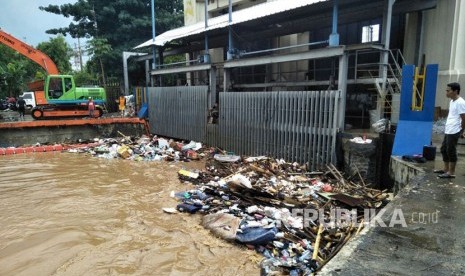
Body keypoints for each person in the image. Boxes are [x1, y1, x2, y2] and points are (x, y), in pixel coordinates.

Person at [434, 82, 465, 178]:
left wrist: (462, 131)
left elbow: (464, 118)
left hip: (455, 130)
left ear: (455, 91)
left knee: (451, 150)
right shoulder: (452, 101)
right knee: (444, 149)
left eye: (448, 90)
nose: (446, 92)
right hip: (449, 129)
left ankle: (451, 173)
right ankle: (445, 169)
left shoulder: (460, 102)